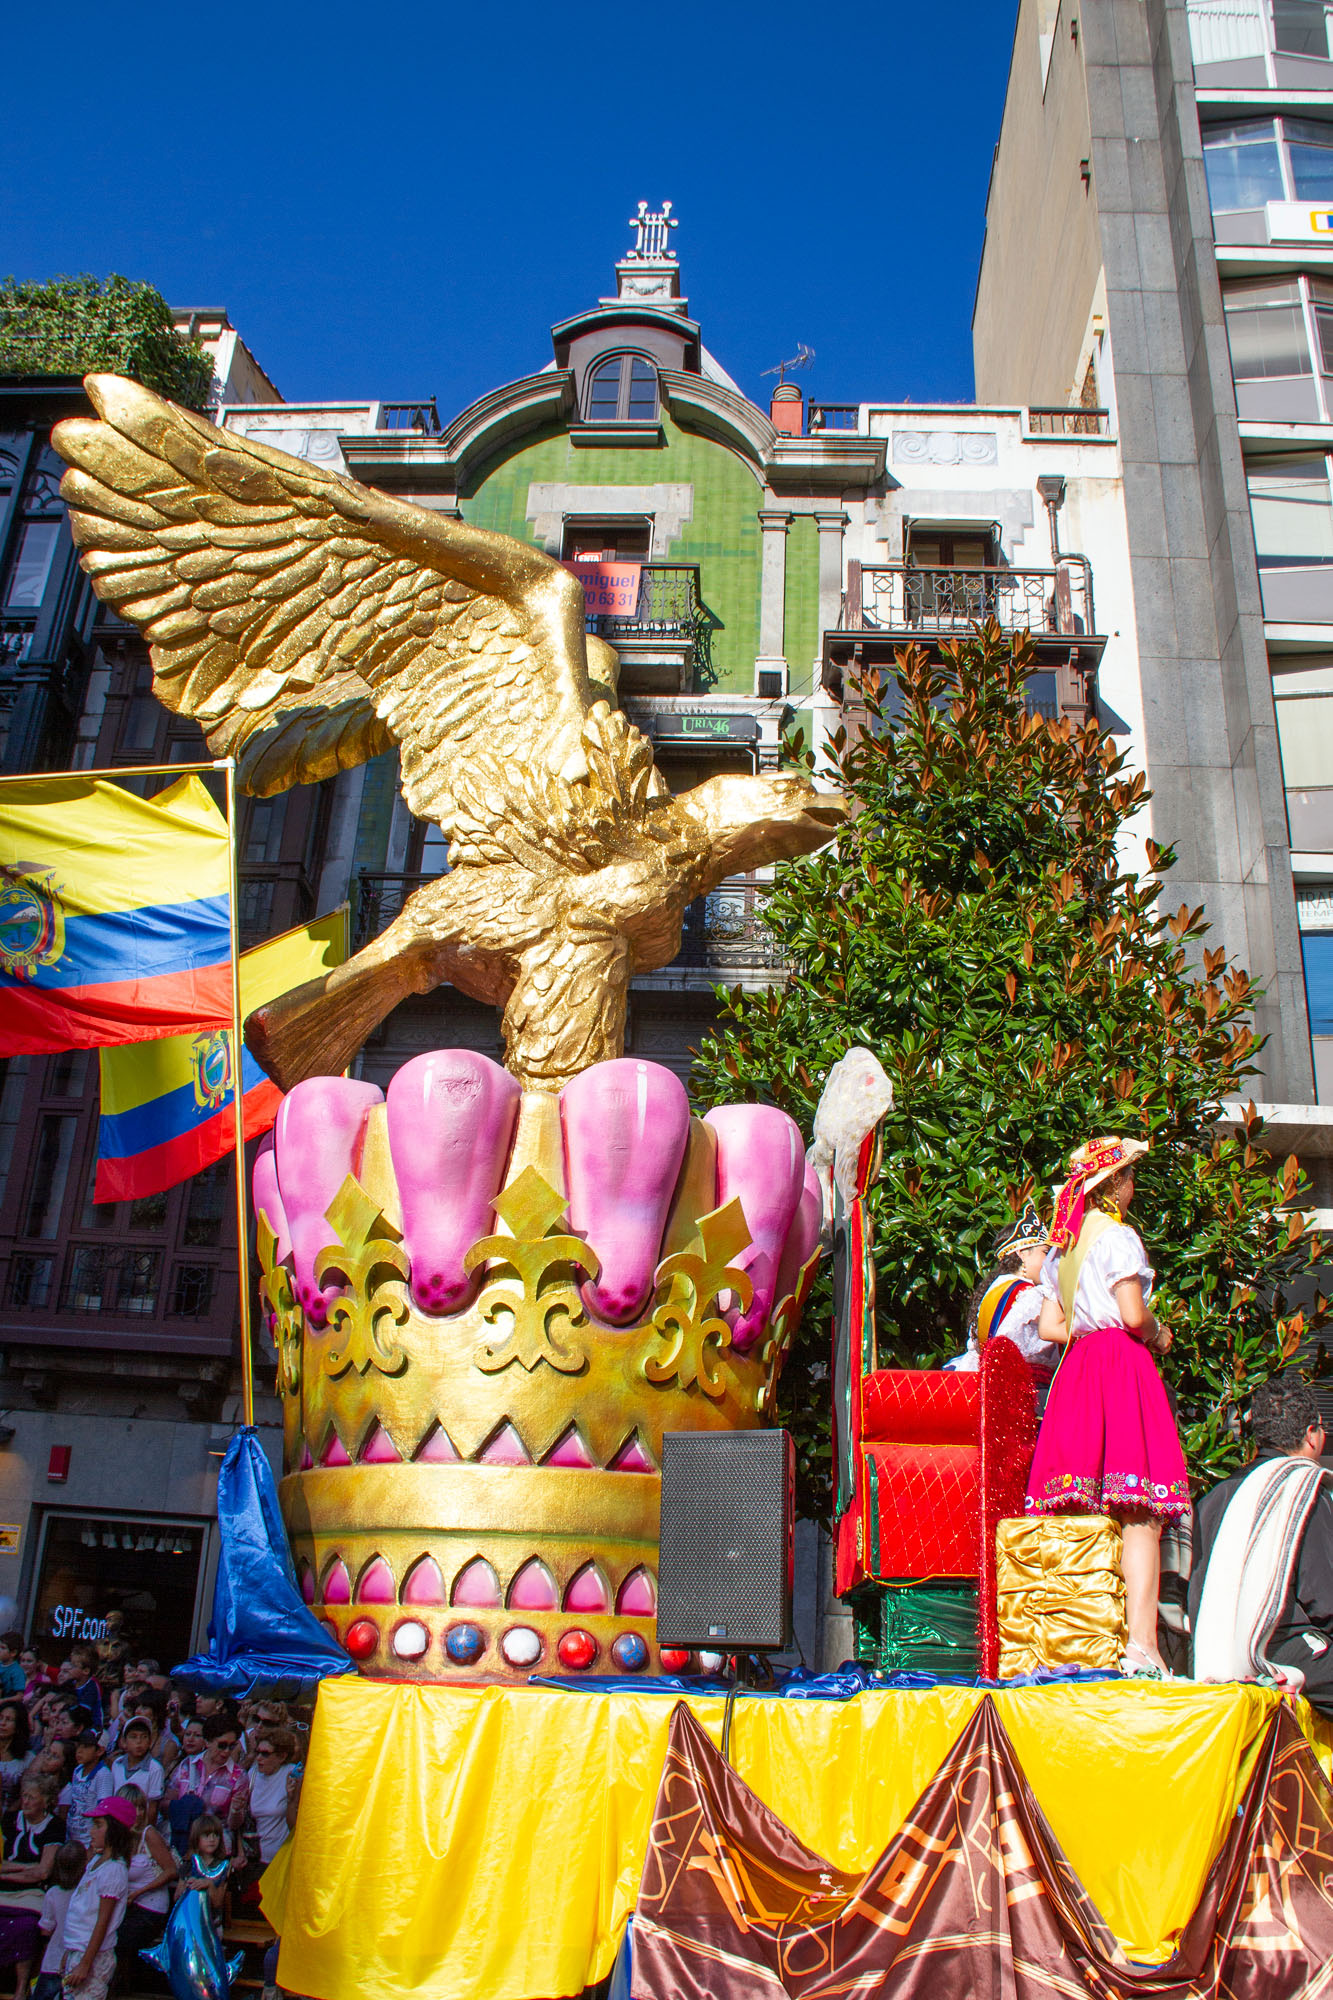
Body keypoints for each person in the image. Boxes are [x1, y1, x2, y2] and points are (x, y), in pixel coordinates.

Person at [1024, 1134, 1190, 1676]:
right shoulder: (1118, 1238)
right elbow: (1134, 1315)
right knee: (1140, 1511)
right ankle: (1141, 1643)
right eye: (1130, 1177)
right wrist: (1162, 1336)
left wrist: (1086, 1322)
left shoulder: (1063, 1249)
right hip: (1120, 1365)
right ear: (1113, 1186)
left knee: (1079, 1508)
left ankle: (1081, 1639)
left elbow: (1050, 1327)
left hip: (1078, 1371)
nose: (1133, 1186)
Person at [1189, 1374, 1333, 1709]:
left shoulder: (1214, 1497)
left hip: (1208, 1651)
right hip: (1279, 1647)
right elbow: (1324, 1599)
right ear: (1312, 1435)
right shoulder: (1302, 1488)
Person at [948, 1202, 1058, 1375]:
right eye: (1045, 1252)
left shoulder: (996, 1288)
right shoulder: (1030, 1295)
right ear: (1022, 1253)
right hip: (1017, 1383)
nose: (1050, 1259)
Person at [57, 1798, 132, 1999]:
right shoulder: (96, 1863)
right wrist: (70, 1951)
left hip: (94, 1956)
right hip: (79, 1950)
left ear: (115, 1830)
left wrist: (85, 1964)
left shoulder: (114, 1869)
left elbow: (102, 1921)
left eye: (98, 1826)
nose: (91, 1831)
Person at [0, 1774, 66, 2000]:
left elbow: (44, 1871)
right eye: (23, 1796)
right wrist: (27, 1869)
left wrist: (8, 1871)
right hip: (3, 1892)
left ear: (46, 1800)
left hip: (33, 1893)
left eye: (31, 1797)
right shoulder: (9, 1820)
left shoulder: (55, 1826)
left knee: (26, 1927)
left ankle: (21, 1988)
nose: (25, 1802)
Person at [112, 1783, 176, 1980]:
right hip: (126, 1904)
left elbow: (171, 1871)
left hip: (150, 1906)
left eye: (142, 1807)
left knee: (118, 1938)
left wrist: (140, 1892)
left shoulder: (149, 1834)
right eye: (133, 1808)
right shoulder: (116, 1837)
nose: (139, 1813)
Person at [166, 1718, 248, 1855]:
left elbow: (235, 1826)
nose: (227, 1751)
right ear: (208, 1742)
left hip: (214, 1847)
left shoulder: (239, 1776)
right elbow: (165, 1804)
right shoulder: (187, 1765)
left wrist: (236, 1810)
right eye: (222, 1745)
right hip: (183, 1842)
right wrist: (182, 1807)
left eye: (232, 1746)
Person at [32, 1842, 83, 2000]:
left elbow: (46, 1928)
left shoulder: (53, 1893)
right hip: (77, 1960)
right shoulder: (85, 1892)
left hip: (53, 1960)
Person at [242, 1727, 299, 1870]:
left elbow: (296, 1824)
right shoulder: (253, 1774)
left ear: (282, 1756)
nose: (258, 1758)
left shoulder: (293, 1774)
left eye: (265, 1754)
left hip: (282, 1859)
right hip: (255, 1858)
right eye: (257, 1752)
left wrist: (291, 1798)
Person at [60, 1736, 112, 1852]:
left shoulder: (103, 1774)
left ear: (99, 1751)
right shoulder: (77, 1770)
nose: (79, 1751)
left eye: (86, 1747)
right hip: (72, 1835)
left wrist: (93, 1845)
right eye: (79, 1746)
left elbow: (102, 1810)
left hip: (88, 1840)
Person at [108, 1721, 164, 1825]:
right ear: (124, 1742)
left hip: (140, 1825)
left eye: (144, 1737)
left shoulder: (155, 1768)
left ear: (149, 1742)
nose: (139, 1741)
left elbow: (152, 1809)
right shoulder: (117, 1763)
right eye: (133, 1737)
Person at [0, 1701, 33, 1818]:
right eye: (1, 1718)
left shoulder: (27, 1758)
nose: (2, 1723)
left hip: (12, 1819)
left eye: (8, 1720)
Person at [0, 1639, 26, 1703]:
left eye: (3, 1648)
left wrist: (3, 1700)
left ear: (13, 1653)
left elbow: (19, 1696)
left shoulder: (17, 1671)